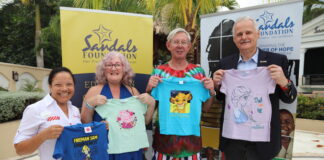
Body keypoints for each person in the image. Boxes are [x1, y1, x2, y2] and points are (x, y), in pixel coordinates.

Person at [212, 16, 297, 160]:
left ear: (258, 34)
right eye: (239, 34)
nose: (244, 37)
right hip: (234, 138)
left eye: (248, 32)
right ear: (234, 39)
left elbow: (289, 99)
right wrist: (216, 85)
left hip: (263, 139)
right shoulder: (225, 63)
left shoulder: (276, 61)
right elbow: (221, 97)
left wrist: (284, 81)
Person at [146, 28, 215, 159]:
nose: (180, 45)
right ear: (168, 45)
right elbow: (150, 107)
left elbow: (206, 108)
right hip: (164, 142)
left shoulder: (198, 73)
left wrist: (211, 91)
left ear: (189, 46)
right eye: (176, 42)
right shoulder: (158, 72)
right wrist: (149, 88)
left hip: (191, 142)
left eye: (183, 42)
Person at [81, 51, 156, 160]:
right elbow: (85, 122)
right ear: (103, 69)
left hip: (131, 150)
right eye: (109, 65)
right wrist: (89, 104)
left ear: (124, 69)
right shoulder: (94, 91)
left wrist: (151, 104)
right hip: (105, 149)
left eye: (117, 65)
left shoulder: (133, 92)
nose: (113, 68)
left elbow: (143, 122)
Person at [14, 67, 81, 160]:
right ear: (50, 86)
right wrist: (43, 135)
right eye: (58, 85)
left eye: (69, 84)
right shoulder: (35, 109)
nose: (64, 89)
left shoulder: (75, 110)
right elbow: (19, 150)